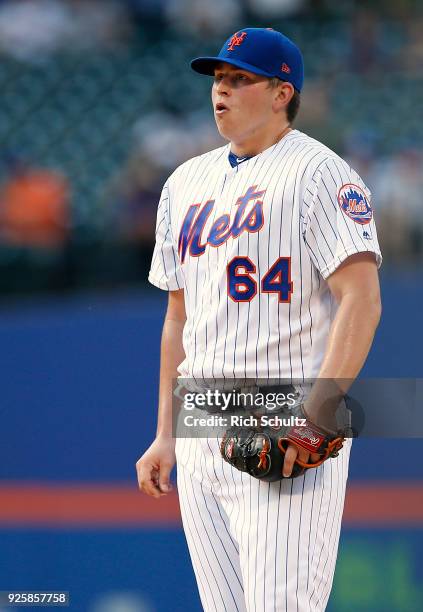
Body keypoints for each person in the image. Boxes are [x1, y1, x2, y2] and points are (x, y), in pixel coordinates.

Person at [136, 27, 382, 611]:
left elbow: (362, 299)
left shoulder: (320, 173)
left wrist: (322, 412)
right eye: (218, 79)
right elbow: (178, 318)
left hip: (284, 417)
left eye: (239, 79)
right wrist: (167, 432)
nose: (221, 91)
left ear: (281, 92)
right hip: (201, 425)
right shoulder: (183, 183)